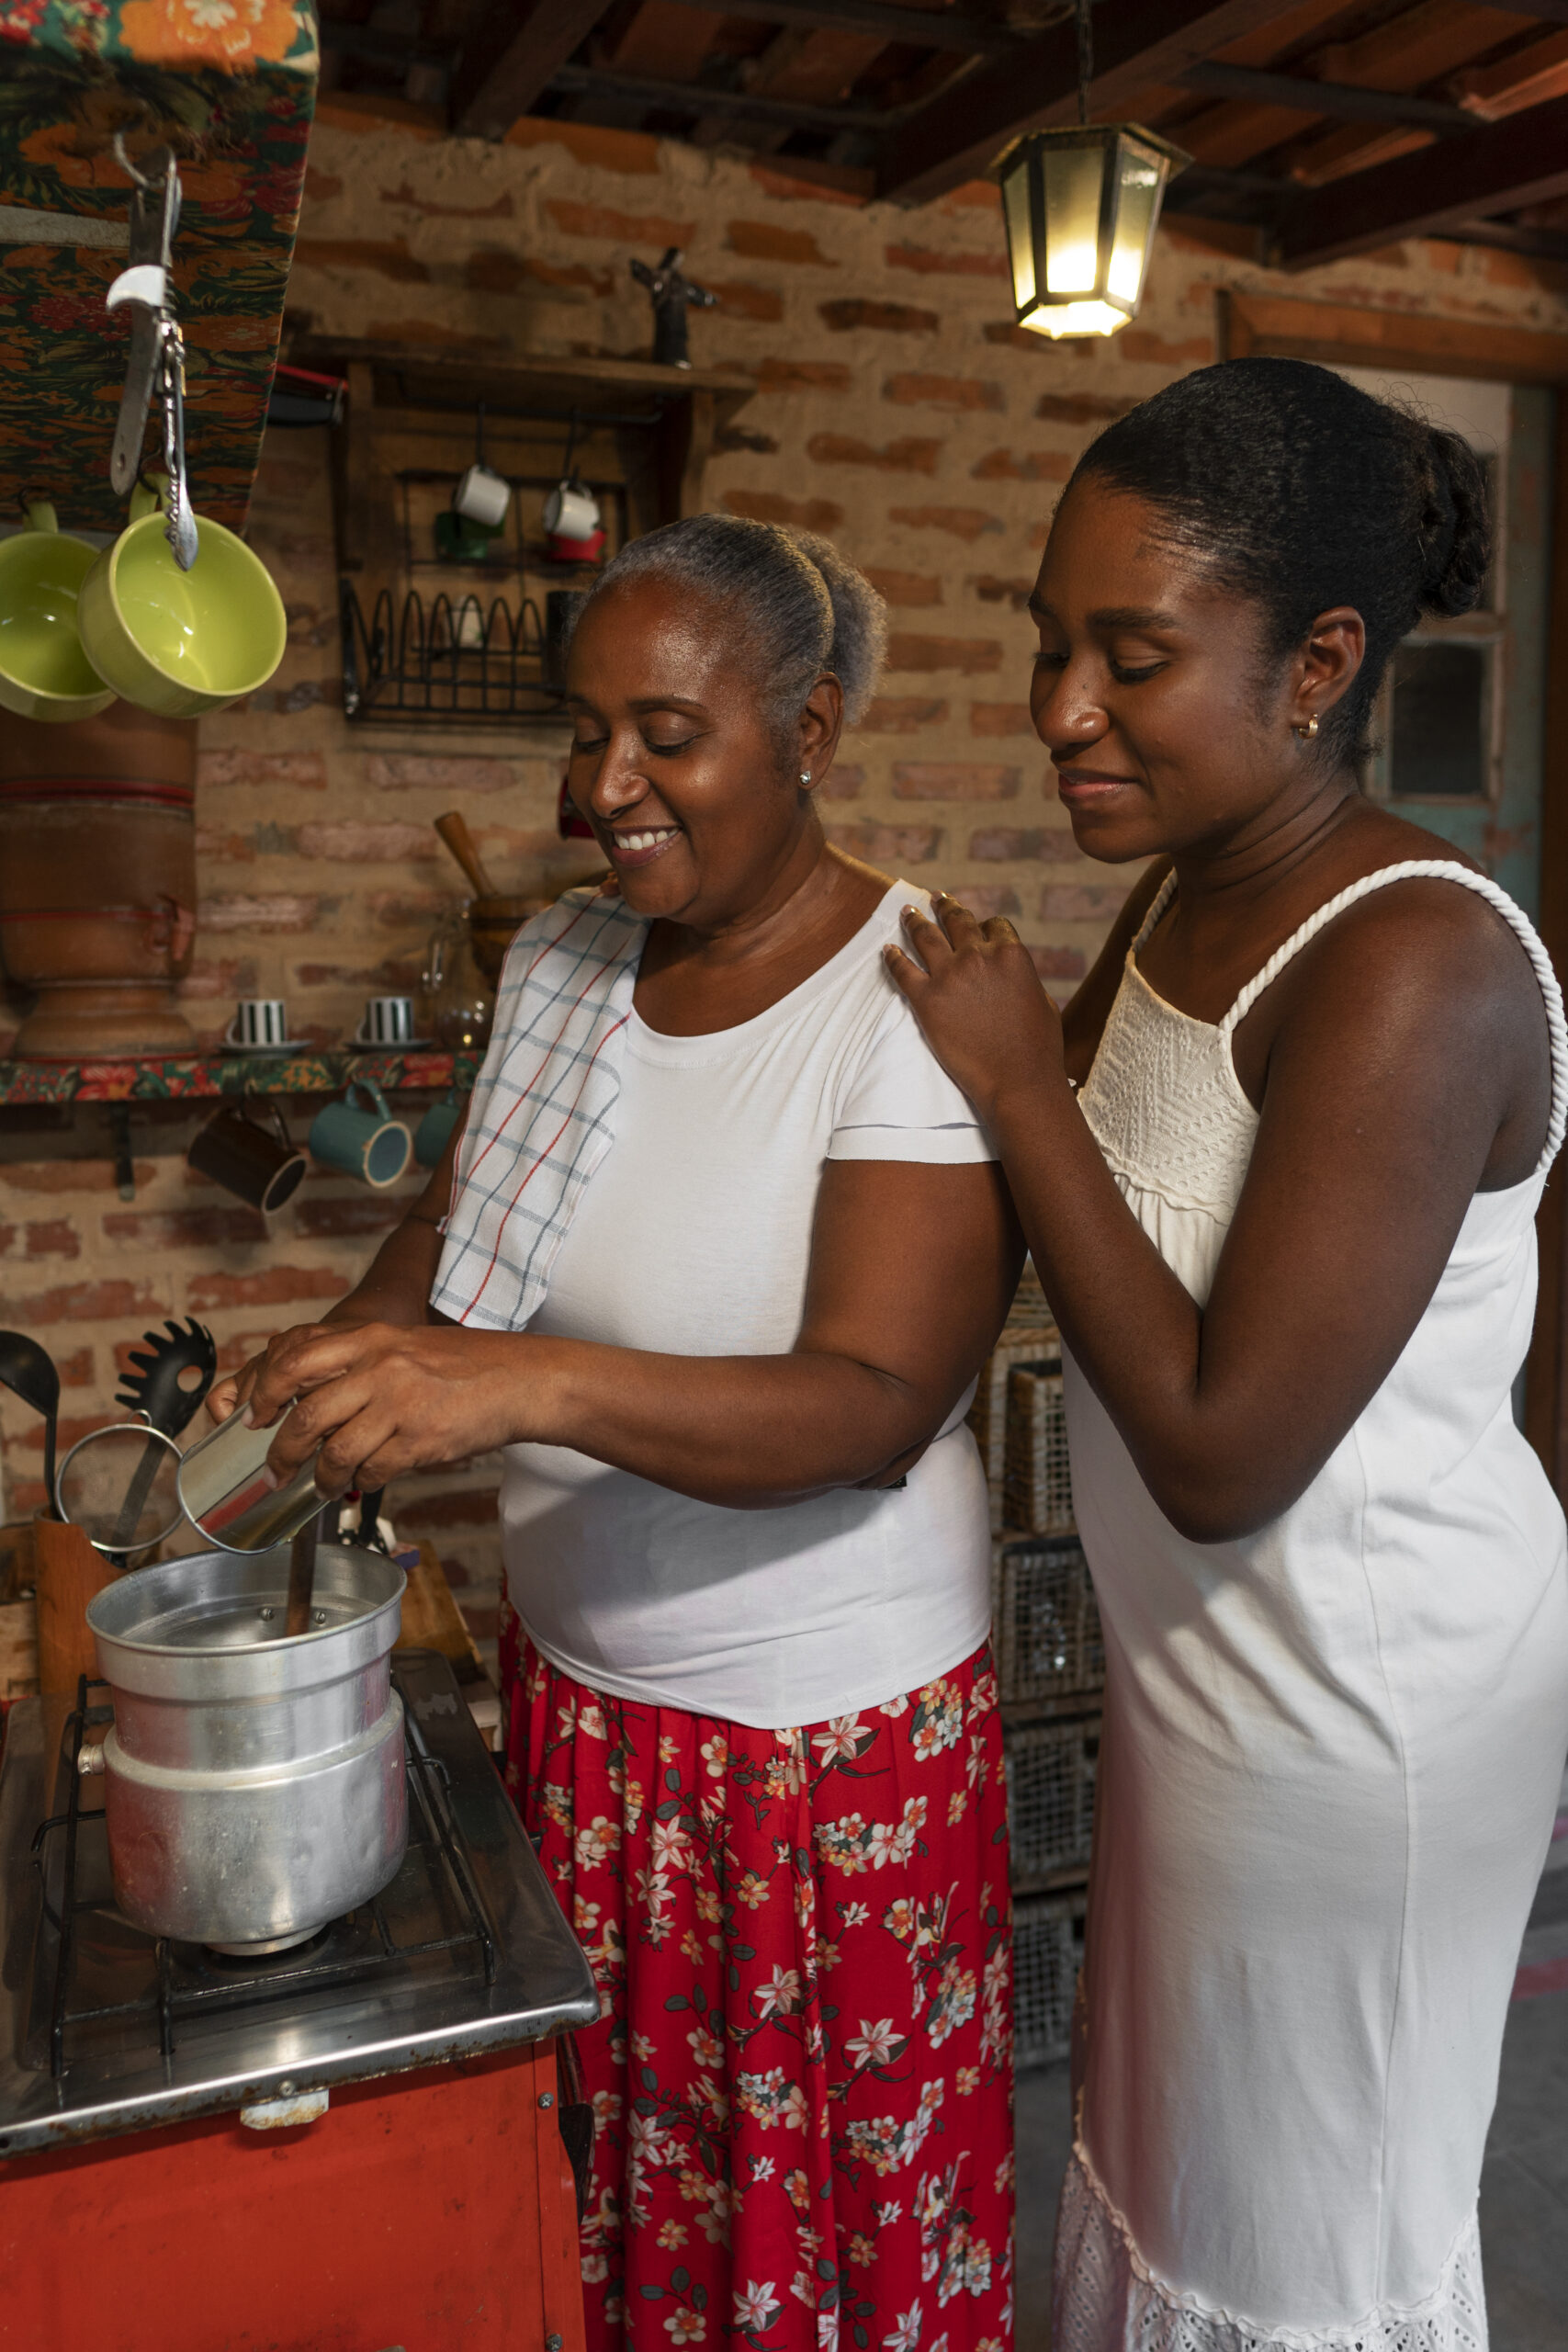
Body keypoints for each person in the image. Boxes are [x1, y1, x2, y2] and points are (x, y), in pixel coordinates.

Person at [211, 517, 1021, 2352]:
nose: (603, 785)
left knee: (820, 2233)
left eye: (666, 731)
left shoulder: (903, 995)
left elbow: (875, 1403)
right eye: (583, 733)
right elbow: (469, 1224)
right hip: (592, 1715)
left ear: (809, 727)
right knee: (638, 2209)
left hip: (812, 1765)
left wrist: (522, 1384)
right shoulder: (574, 961)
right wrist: (351, 1353)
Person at [886, 358, 1568, 2351]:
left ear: (1312, 664)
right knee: (1178, 2172)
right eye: (1045, 645)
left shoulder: (1412, 962)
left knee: (1303, 2237)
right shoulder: (1188, 891)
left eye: (1128, 654)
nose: (1057, 709)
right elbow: (1075, 1216)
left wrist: (1011, 1080)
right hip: (1203, 1676)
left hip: (1359, 1703)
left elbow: (1215, 1442)